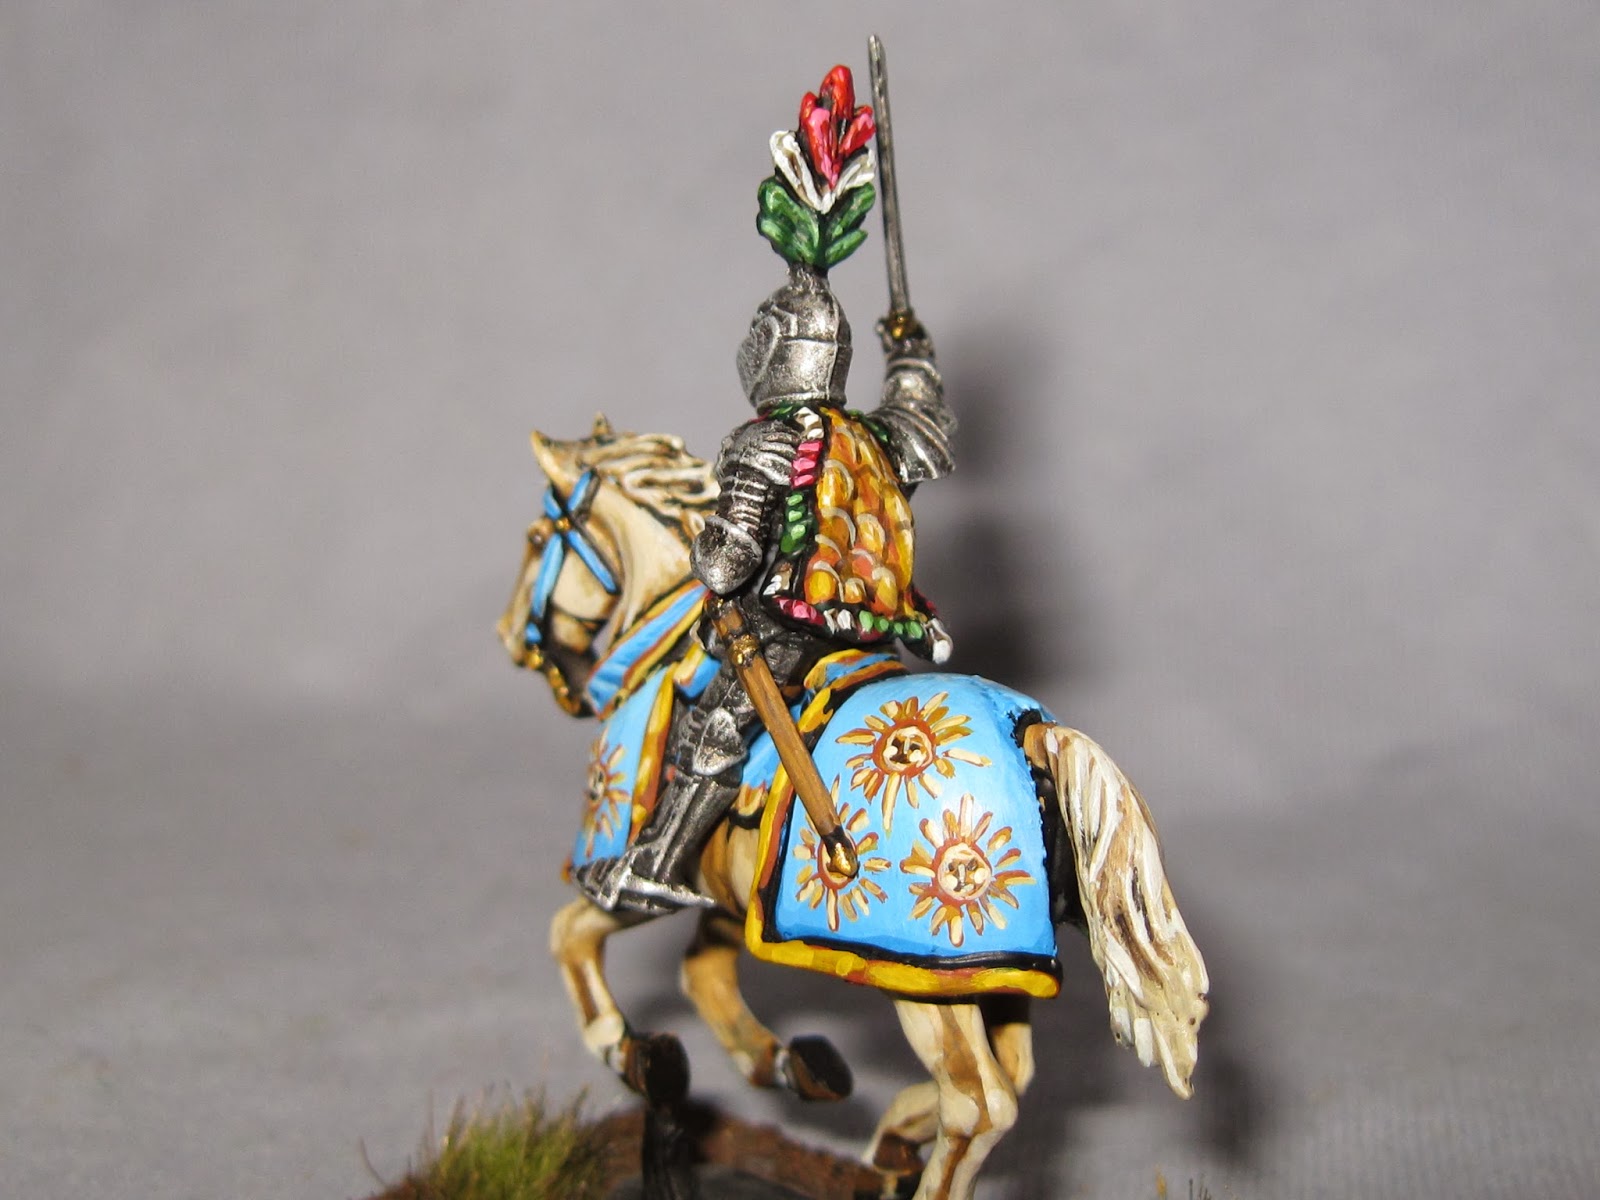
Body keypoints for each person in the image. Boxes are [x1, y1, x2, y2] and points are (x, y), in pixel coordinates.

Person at [573, 262, 955, 915]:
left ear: (774, 351)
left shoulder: (767, 441)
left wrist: (704, 540)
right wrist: (909, 351)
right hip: (872, 630)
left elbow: (727, 565)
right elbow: (921, 414)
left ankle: (654, 866)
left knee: (714, 728)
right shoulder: (875, 439)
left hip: (785, 636)